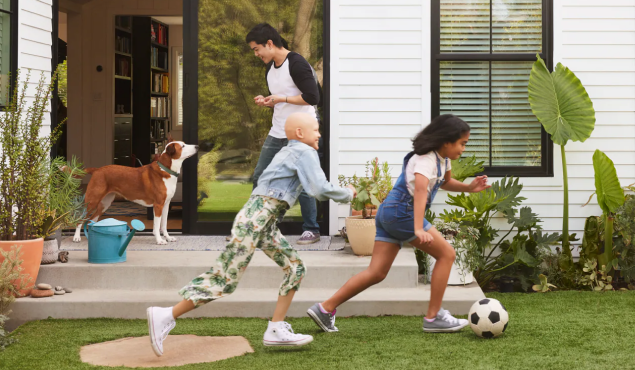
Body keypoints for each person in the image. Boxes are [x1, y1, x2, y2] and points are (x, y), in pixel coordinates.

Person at [147, 113, 355, 356]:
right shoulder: (303, 151)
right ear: (300, 133)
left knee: (295, 267)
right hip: (255, 220)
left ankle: (276, 328)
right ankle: (165, 315)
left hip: (261, 220)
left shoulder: (288, 152)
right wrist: (347, 193)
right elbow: (318, 189)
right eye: (316, 129)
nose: (319, 134)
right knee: (224, 280)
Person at [307, 114, 490, 334]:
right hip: (403, 211)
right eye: (462, 143)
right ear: (446, 140)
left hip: (389, 212)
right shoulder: (425, 159)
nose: (463, 148)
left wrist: (469, 188)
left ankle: (325, 308)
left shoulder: (443, 160)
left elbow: (447, 182)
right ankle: (433, 318)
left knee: (377, 272)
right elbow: (421, 189)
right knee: (447, 254)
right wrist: (418, 228)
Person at [246, 22, 324, 245]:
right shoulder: (270, 68)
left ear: (269, 44)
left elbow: (313, 97)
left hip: (302, 130)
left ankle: (311, 229)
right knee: (261, 175)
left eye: (256, 48)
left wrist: (281, 99)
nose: (256, 53)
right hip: (278, 129)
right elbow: (283, 99)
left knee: (304, 179)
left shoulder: (296, 64)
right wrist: (270, 101)